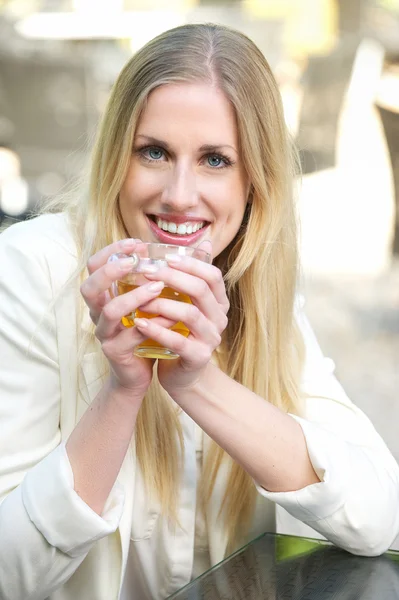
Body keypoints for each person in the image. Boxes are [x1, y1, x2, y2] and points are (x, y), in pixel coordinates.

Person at [0, 23, 398, 600]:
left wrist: (198, 382)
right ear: (118, 157)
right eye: (154, 152)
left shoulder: (256, 285)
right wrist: (122, 391)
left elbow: (377, 515)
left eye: (215, 159)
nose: (180, 195)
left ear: (255, 180)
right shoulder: (31, 272)